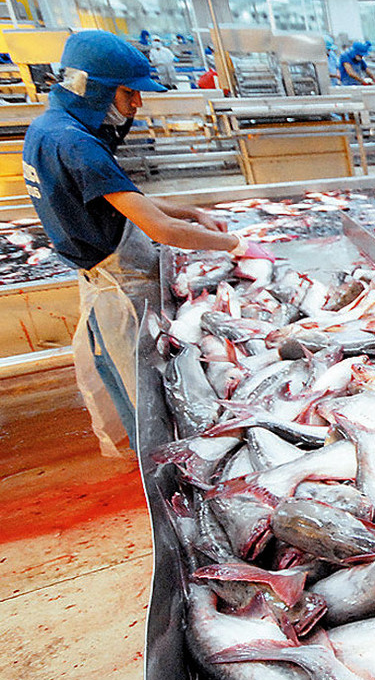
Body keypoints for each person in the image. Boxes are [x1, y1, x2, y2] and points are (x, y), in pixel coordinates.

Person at [22, 31, 260, 456]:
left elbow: (117, 196)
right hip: (120, 291)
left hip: (104, 280)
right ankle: (166, 466)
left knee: (130, 379)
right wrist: (235, 244)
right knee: (147, 395)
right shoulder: (77, 143)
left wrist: (190, 212)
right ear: (91, 88)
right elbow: (160, 230)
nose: (137, 104)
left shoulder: (50, 128)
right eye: (128, 92)